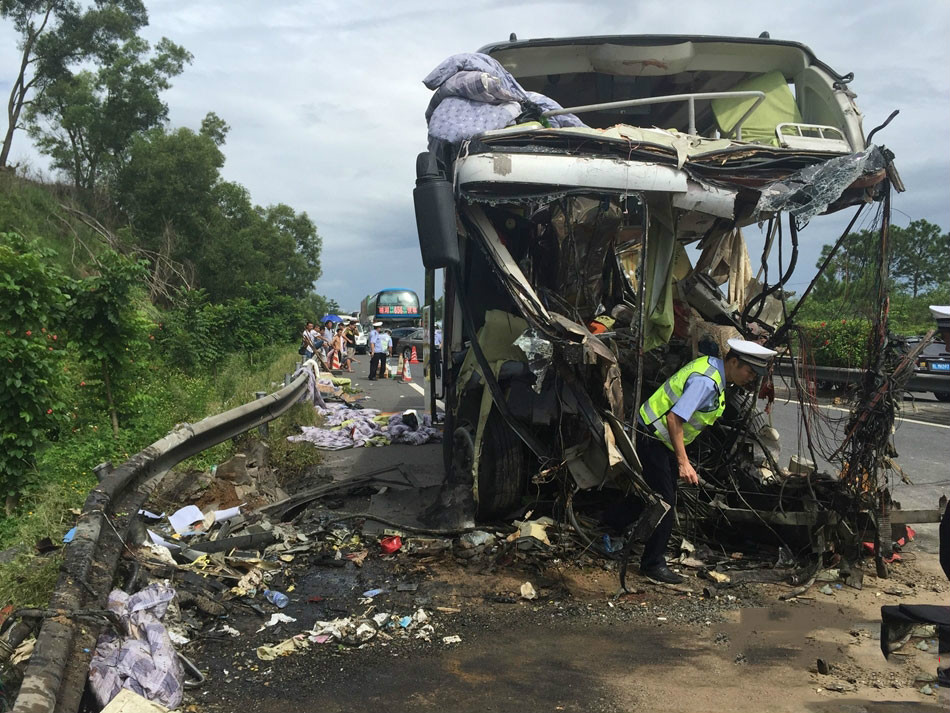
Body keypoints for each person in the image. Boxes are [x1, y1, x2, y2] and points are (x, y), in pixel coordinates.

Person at [635, 338, 777, 584]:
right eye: (749, 371)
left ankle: (611, 527)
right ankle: (652, 564)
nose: (751, 378)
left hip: (657, 437)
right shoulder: (707, 382)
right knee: (665, 503)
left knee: (650, 495)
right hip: (654, 437)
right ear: (733, 362)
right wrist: (683, 462)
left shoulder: (712, 368)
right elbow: (674, 419)